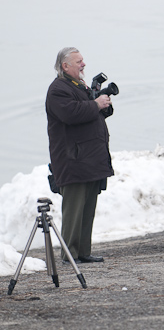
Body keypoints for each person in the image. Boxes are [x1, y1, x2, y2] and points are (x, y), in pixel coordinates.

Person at [46, 47, 114, 263]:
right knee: (74, 210)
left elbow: (91, 112)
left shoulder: (78, 85)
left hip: (89, 159)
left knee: (87, 208)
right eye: (79, 62)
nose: (83, 64)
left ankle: (83, 251)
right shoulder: (58, 89)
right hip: (73, 160)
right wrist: (95, 104)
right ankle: (69, 254)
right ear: (65, 66)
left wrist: (102, 103)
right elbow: (71, 113)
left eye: (83, 60)